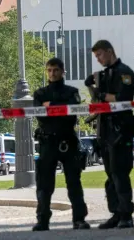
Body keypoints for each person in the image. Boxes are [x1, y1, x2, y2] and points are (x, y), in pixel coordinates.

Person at [33, 57, 90, 232]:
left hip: (67, 141)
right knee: (44, 185)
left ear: (63, 72)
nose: (52, 73)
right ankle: (42, 220)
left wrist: (51, 106)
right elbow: (40, 115)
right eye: (49, 70)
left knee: (74, 182)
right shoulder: (40, 94)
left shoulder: (72, 91)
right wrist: (57, 107)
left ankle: (79, 219)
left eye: (56, 70)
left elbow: (71, 113)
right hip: (47, 142)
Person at [85, 39, 134, 229]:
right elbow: (97, 102)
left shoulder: (125, 73)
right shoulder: (104, 75)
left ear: (109, 51)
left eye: (99, 55)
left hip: (120, 130)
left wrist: (101, 95)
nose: (98, 59)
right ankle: (116, 212)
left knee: (120, 174)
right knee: (110, 175)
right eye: (96, 56)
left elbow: (123, 98)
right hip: (105, 129)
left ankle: (126, 215)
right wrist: (92, 87)